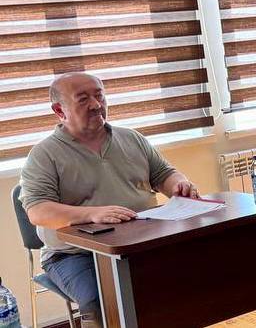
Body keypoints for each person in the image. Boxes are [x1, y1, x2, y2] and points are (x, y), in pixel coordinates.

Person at [19, 72, 198, 328]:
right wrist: (92, 214)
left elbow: (163, 174)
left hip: (140, 242)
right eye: (83, 99)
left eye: (99, 96)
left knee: (188, 279)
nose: (96, 105)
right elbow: (38, 210)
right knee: (101, 301)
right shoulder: (43, 154)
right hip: (75, 254)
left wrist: (179, 185)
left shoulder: (131, 138)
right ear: (59, 110)